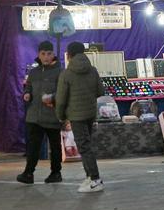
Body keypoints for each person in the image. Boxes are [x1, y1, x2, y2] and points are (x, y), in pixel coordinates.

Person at [56, 41, 104, 193]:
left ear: (69, 55)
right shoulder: (93, 70)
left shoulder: (66, 74)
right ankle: (89, 177)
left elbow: (61, 99)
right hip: (90, 113)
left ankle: (95, 179)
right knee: (87, 145)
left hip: (76, 115)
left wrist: (60, 115)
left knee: (84, 147)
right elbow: (100, 91)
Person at [18, 41, 64, 184]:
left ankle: (56, 173)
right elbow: (29, 87)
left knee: (55, 146)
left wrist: (53, 98)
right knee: (33, 146)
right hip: (34, 116)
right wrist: (27, 93)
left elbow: (63, 92)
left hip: (51, 115)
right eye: (43, 54)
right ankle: (28, 173)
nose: (46, 57)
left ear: (53, 55)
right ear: (38, 54)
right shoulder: (34, 72)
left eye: (49, 54)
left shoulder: (60, 72)